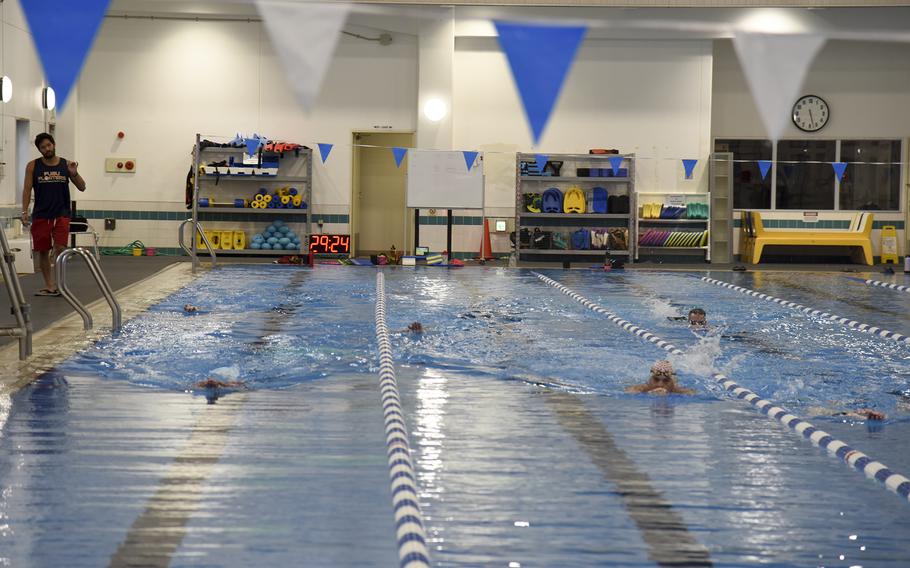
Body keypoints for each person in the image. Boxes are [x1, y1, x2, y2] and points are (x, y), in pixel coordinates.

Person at [21, 133, 86, 296]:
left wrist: (74, 173)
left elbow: (82, 187)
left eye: (49, 145)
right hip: (42, 214)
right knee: (42, 251)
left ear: (54, 145)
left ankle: (60, 284)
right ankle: (50, 285)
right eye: (43, 147)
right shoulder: (32, 166)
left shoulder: (66, 164)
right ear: (39, 149)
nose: (47, 149)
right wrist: (24, 211)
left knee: (60, 248)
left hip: (61, 213)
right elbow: (27, 189)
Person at [625, 360, 696, 395]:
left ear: (671, 382)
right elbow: (627, 390)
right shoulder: (643, 388)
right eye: (656, 379)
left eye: (666, 380)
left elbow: (694, 392)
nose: (660, 384)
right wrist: (650, 393)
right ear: (650, 379)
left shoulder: (676, 390)